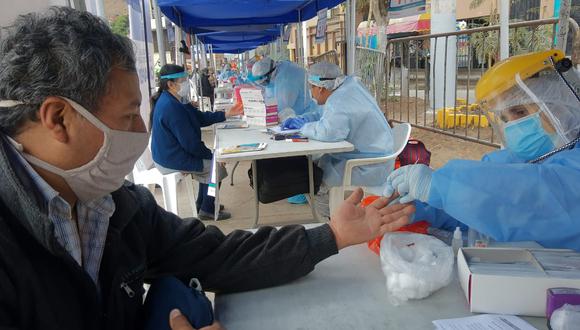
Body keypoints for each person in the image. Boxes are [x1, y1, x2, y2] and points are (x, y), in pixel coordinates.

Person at [0, 7, 415, 330]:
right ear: (58, 119)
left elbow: (216, 255)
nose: (140, 132)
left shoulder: (114, 207)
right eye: (128, 117)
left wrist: (332, 236)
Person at [383, 50, 580, 251]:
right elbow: (484, 202)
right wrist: (419, 208)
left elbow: (537, 196)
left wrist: (441, 186)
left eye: (520, 111)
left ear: (560, 107)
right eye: (504, 118)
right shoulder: (518, 159)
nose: (512, 126)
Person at [282, 62, 394, 217]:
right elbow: (325, 114)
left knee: (316, 178)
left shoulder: (340, 100)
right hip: (376, 156)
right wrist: (305, 119)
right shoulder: (347, 87)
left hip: (368, 166)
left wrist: (303, 127)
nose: (311, 93)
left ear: (320, 88)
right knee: (316, 165)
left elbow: (329, 132)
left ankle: (330, 219)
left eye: (311, 88)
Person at [150, 64, 241, 220]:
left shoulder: (175, 100)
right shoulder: (172, 107)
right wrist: (213, 156)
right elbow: (191, 144)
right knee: (215, 169)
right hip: (171, 158)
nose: (186, 83)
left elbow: (200, 118)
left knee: (208, 163)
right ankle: (208, 208)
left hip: (170, 153)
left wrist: (226, 114)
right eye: (183, 80)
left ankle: (203, 203)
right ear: (171, 84)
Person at [252, 57, 321, 205]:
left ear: (270, 73)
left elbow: (282, 106)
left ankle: (299, 189)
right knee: (298, 155)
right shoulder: (280, 71)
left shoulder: (287, 78)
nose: (265, 84)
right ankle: (298, 188)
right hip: (296, 119)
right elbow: (270, 96)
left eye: (264, 80)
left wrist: (269, 116)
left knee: (299, 156)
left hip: (299, 118)